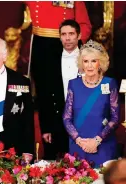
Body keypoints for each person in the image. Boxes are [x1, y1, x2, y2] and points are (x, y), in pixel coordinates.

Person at [25, 1, 92, 160]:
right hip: (41, 45)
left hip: (64, 43)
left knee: (67, 94)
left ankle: (74, 147)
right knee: (44, 95)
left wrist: (75, 47)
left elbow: (84, 24)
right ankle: (51, 146)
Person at [63, 40, 120, 167]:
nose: (89, 66)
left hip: (103, 145)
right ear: (81, 63)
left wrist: (97, 140)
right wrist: (79, 140)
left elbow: (115, 118)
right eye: (86, 61)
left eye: (93, 61)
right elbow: (67, 118)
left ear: (100, 63)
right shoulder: (73, 84)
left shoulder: (109, 83)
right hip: (78, 145)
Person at [41, 20, 83, 160]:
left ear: (79, 35)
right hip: (57, 119)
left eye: (71, 33)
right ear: (59, 37)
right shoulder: (50, 58)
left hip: (83, 118)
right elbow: (44, 94)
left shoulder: (89, 57)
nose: (68, 38)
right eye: (64, 34)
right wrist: (46, 127)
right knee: (59, 165)